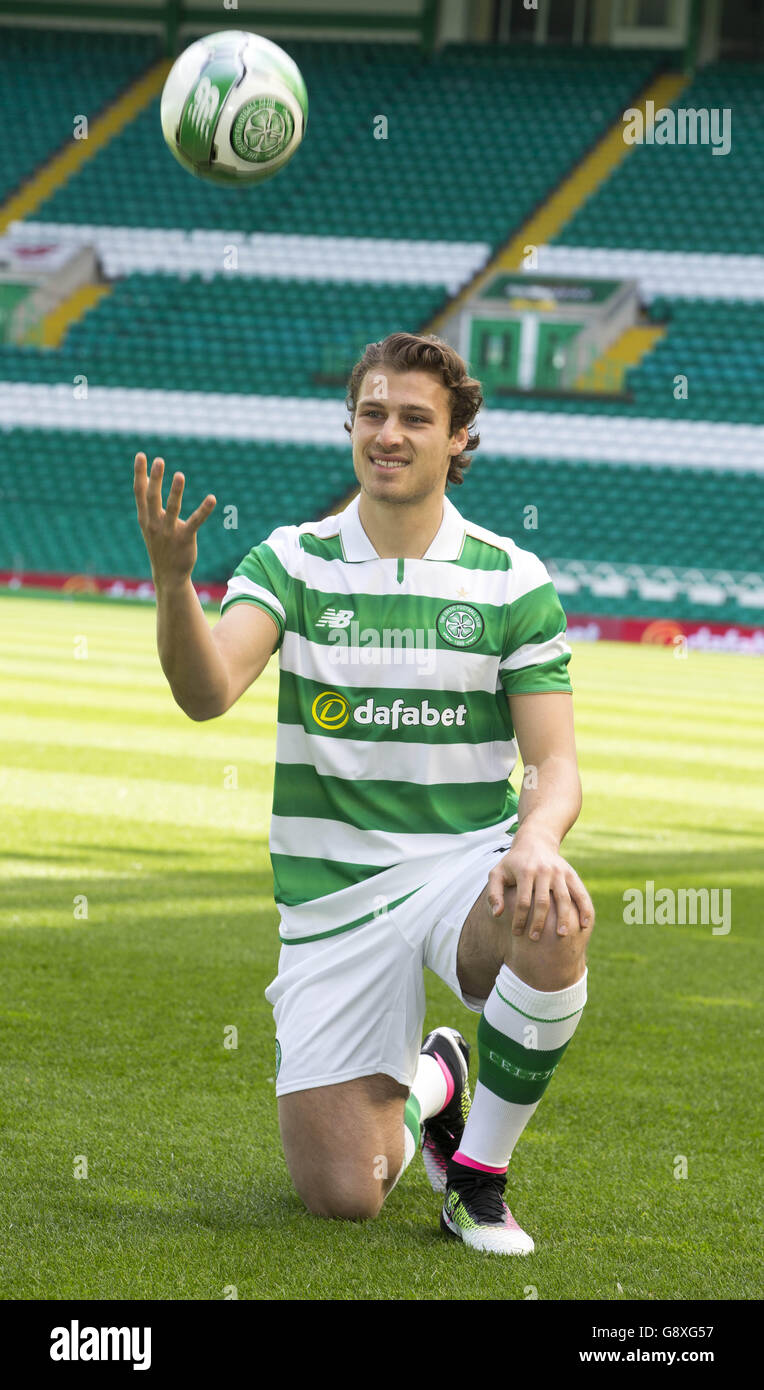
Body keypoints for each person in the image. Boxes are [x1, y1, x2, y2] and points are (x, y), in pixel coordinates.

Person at [134, 331, 594, 1255]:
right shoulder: (291, 561)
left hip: (463, 863)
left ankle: (478, 1182)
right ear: (352, 424)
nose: (389, 434)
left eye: (415, 418)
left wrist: (537, 837)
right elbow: (206, 692)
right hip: (331, 894)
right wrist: (175, 582)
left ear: (459, 436)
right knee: (345, 1195)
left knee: (555, 914)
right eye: (373, 414)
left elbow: (556, 765)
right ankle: (438, 1082)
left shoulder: (512, 579)